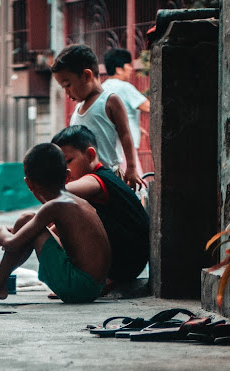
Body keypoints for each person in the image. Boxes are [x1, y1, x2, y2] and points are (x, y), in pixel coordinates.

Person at [0, 143, 111, 304]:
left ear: (28, 183)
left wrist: (2, 231)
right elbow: (35, 232)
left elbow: (12, 243)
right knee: (27, 221)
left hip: (79, 287)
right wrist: (18, 231)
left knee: (28, 219)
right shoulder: (75, 202)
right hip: (92, 287)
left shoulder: (54, 206)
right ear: (67, 175)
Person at [51, 125, 149, 295]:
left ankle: (97, 279)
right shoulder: (99, 178)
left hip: (126, 262)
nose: (64, 170)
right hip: (131, 263)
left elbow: (59, 192)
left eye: (68, 161)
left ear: (90, 155)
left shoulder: (97, 179)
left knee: (65, 214)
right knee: (51, 225)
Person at [51, 44, 145, 190]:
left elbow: (126, 135)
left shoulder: (110, 100)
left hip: (106, 178)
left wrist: (131, 168)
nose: (67, 93)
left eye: (68, 85)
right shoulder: (77, 110)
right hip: (85, 178)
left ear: (87, 76)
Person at [102, 47, 150, 175]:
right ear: (118, 69)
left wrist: (137, 126)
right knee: (135, 183)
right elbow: (148, 106)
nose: (131, 69)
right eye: (128, 65)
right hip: (125, 148)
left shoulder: (103, 87)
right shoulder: (124, 87)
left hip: (109, 147)